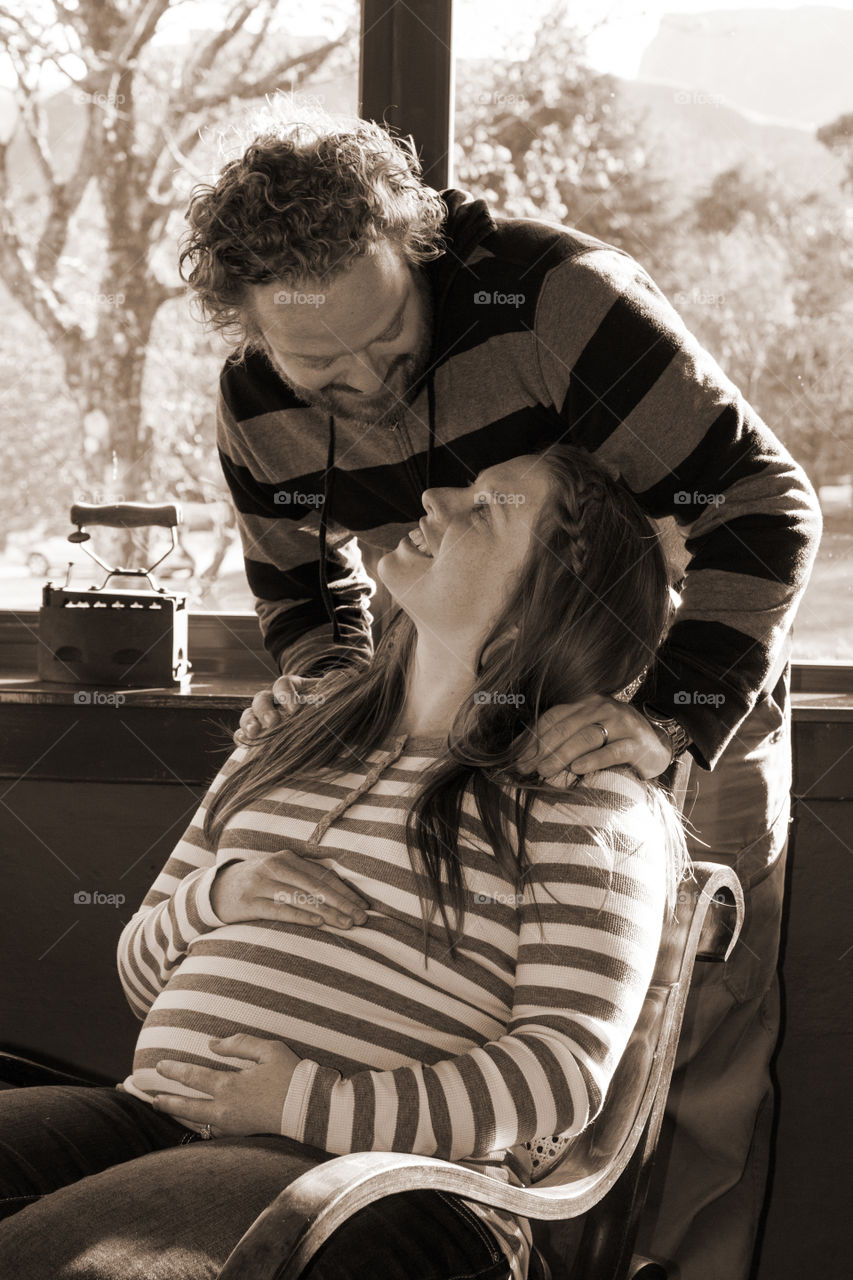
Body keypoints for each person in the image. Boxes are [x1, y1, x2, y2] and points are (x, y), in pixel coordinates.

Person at [176, 111, 822, 1278]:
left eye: (390, 336)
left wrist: (665, 714)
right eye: (324, 367)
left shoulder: (560, 299)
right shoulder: (253, 405)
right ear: (251, 329)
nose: (370, 382)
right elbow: (305, 593)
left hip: (671, 685)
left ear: (413, 249)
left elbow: (763, 504)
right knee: (476, 1029)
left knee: (686, 1053)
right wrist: (324, 700)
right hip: (449, 725)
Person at [0, 445, 689, 1280]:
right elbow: (141, 975)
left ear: (538, 610)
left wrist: (308, 1105)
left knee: (52, 1263)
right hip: (150, 1119)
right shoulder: (291, 734)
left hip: (372, 1187)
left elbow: (559, 1077)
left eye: (487, 508)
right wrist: (221, 896)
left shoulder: (576, 798)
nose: (433, 497)